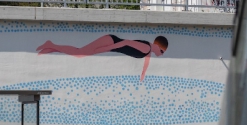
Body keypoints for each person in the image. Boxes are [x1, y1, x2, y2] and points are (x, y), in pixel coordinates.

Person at [36, 35, 169, 81]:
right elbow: (126, 42)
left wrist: (143, 74)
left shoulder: (149, 51)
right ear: (158, 46)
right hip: (110, 41)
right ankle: (51, 45)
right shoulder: (146, 48)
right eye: (162, 52)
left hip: (110, 44)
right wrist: (105, 48)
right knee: (80, 53)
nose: (161, 55)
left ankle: (52, 47)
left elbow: (147, 61)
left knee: (80, 53)